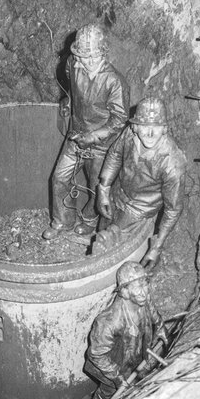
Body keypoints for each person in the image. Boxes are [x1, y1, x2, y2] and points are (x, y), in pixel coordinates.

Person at [44, 24, 130, 240]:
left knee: (97, 187)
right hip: (76, 135)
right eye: (84, 56)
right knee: (59, 178)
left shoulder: (114, 81)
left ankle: (90, 221)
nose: (89, 62)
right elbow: (71, 85)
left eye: (94, 56)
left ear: (103, 53)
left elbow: (120, 119)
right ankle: (63, 221)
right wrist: (69, 100)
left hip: (102, 144)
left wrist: (93, 136)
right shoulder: (73, 64)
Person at [93, 96, 186, 268]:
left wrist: (157, 246)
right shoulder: (129, 134)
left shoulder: (172, 163)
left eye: (156, 128)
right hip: (117, 194)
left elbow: (173, 209)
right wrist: (104, 189)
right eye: (144, 127)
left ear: (164, 129)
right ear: (135, 126)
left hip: (139, 211)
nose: (150, 134)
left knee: (113, 250)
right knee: (102, 230)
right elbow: (114, 154)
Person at [84, 262, 163, 399]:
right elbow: (97, 355)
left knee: (138, 381)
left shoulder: (142, 299)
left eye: (145, 285)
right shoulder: (108, 322)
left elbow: (153, 313)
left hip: (133, 357)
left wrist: (161, 327)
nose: (144, 292)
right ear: (124, 292)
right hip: (110, 367)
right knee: (108, 392)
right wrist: (118, 377)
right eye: (137, 287)